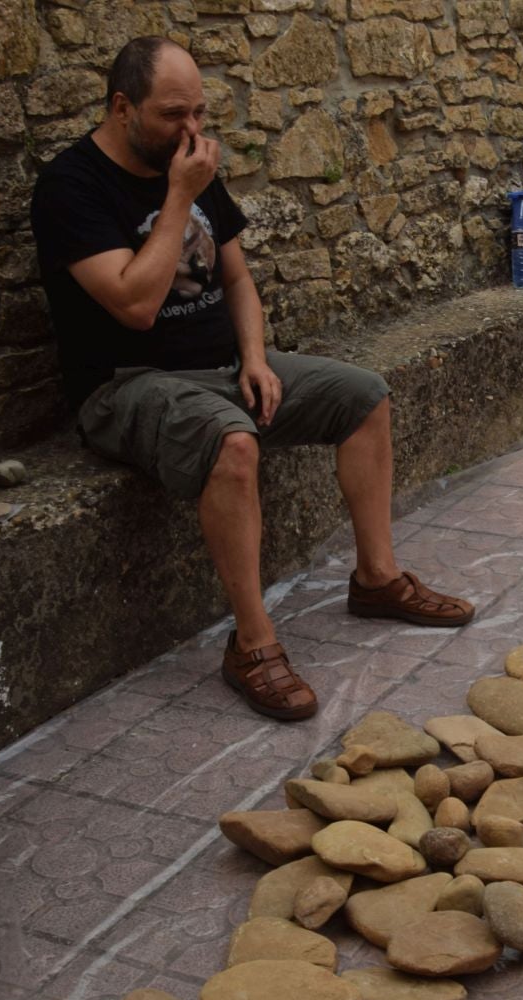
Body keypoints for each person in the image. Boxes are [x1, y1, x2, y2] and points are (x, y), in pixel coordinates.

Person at [30, 36, 472, 723]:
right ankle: (253, 644)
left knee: (363, 396)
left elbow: (237, 279)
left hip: (223, 369)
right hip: (126, 385)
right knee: (234, 444)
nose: (193, 131)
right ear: (122, 107)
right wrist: (179, 196)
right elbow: (136, 305)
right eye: (175, 114)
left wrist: (258, 357)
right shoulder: (71, 186)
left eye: (200, 113)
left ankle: (377, 579)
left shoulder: (190, 161)